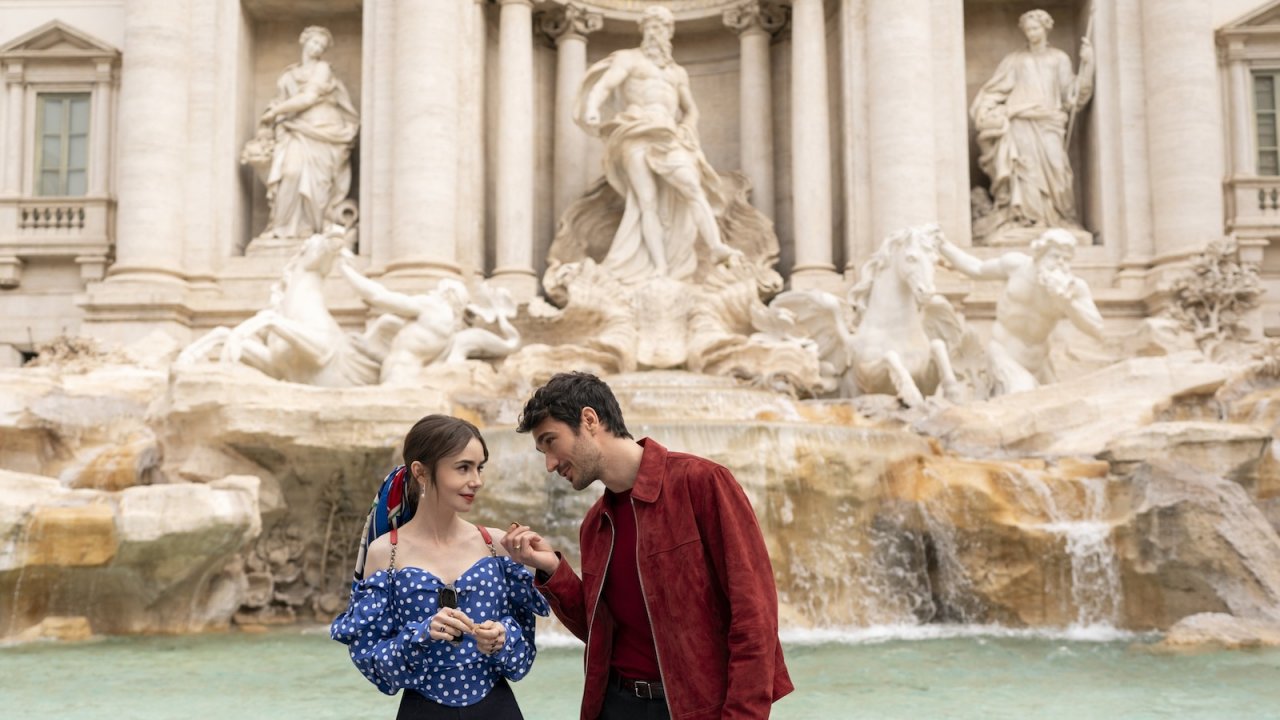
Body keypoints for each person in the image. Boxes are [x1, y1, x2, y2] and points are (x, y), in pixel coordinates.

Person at [504, 372, 793, 720]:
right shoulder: (595, 524)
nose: (550, 464)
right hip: (616, 706)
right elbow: (600, 633)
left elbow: (754, 616)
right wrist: (552, 569)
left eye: (551, 442)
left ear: (589, 420)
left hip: (695, 708)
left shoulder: (702, 483)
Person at [331, 415, 549, 719]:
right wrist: (421, 635)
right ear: (420, 472)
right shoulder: (385, 553)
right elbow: (371, 662)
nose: (477, 480)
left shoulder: (496, 545)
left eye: (479, 467)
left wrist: (502, 638)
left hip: (497, 710)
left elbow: (522, 661)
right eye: (463, 468)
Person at [575, 6, 741, 282]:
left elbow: (691, 110)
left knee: (693, 187)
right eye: (652, 27)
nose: (656, 33)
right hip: (635, 131)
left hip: (668, 135)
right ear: (643, 30)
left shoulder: (677, 73)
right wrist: (592, 107)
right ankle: (660, 266)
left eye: (662, 27)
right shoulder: (629, 59)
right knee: (646, 201)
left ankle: (715, 246)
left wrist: (687, 128)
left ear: (670, 32)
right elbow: (604, 86)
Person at [970, 9, 1093, 242]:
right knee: (1025, 171)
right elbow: (994, 90)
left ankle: (1059, 217)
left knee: (1057, 168)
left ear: (1046, 28)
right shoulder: (1015, 60)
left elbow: (1072, 95)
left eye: (1035, 28)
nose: (1031, 33)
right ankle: (1029, 219)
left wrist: (1088, 65)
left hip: (1050, 121)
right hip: (1021, 121)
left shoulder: (1059, 58)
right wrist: (987, 111)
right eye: (1027, 29)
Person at [936, 228, 1105, 395]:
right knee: (1022, 395)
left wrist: (1068, 302)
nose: (1060, 263)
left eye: (1066, 259)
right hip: (1004, 354)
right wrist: (944, 246)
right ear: (1040, 254)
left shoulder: (1075, 289)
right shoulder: (1016, 266)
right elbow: (977, 269)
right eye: (1055, 256)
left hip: (1040, 363)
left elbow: (1097, 329)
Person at [251, 25, 359, 241]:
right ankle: (282, 228)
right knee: (291, 172)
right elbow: (280, 101)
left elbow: (308, 98)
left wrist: (275, 112)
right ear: (304, 41)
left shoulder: (322, 69)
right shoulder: (289, 75)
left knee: (319, 183)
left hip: (324, 131)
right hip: (296, 130)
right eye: (314, 42)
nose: (317, 48)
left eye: (322, 46)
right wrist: (270, 117)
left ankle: (311, 228)